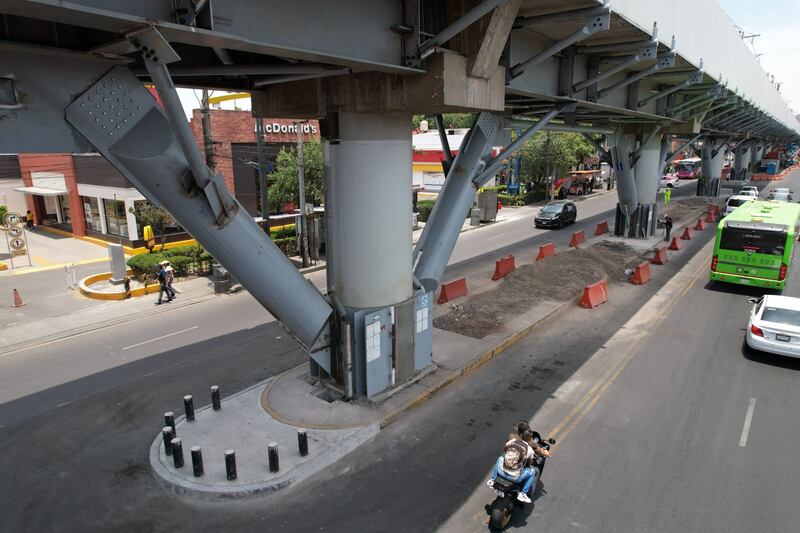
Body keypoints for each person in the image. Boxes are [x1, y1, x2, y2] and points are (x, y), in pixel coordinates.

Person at [487, 439, 537, 503]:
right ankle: (523, 493)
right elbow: (530, 462)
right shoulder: (529, 449)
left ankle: (493, 480)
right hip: (515, 478)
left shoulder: (512, 441)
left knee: (500, 458)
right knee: (532, 472)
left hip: (501, 472)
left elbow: (505, 449)